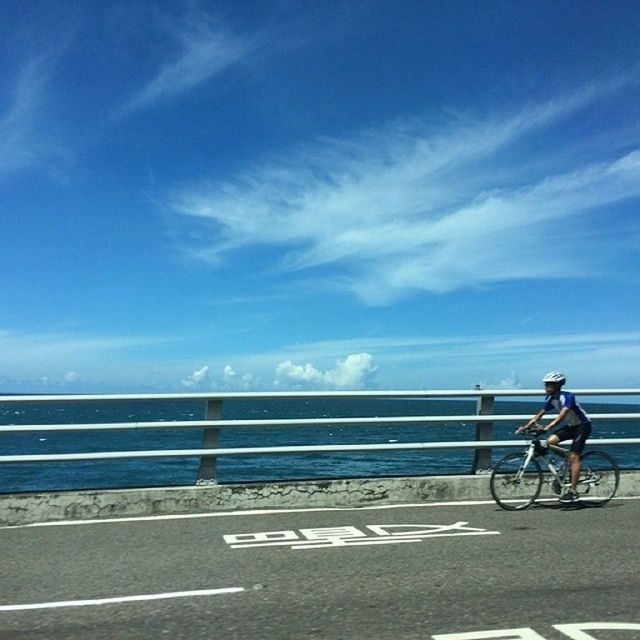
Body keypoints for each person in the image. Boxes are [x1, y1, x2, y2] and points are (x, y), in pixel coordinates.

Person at [518, 372, 592, 503]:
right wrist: (526, 427)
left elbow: (562, 415)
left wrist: (547, 427)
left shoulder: (568, 397)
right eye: (546, 384)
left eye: (549, 384)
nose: (546, 387)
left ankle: (573, 492)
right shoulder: (551, 399)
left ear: (558, 385)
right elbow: (539, 415)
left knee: (575, 457)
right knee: (549, 442)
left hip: (582, 426)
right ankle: (565, 464)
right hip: (571, 426)